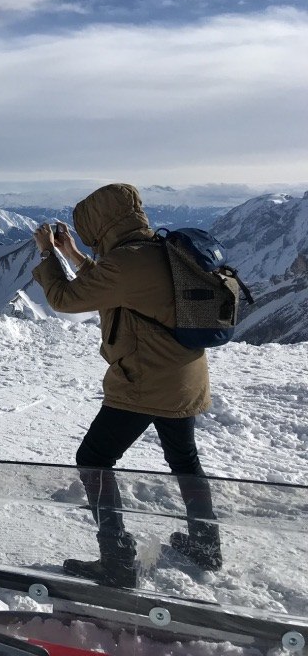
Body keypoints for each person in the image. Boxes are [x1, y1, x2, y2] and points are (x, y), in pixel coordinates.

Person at [32, 183, 221, 587]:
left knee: (94, 458)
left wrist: (48, 253)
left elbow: (64, 299)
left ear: (102, 221)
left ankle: (117, 560)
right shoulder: (158, 251)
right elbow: (116, 286)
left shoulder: (126, 264)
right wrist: (74, 256)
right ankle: (206, 544)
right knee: (184, 460)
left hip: (145, 381)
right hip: (185, 376)